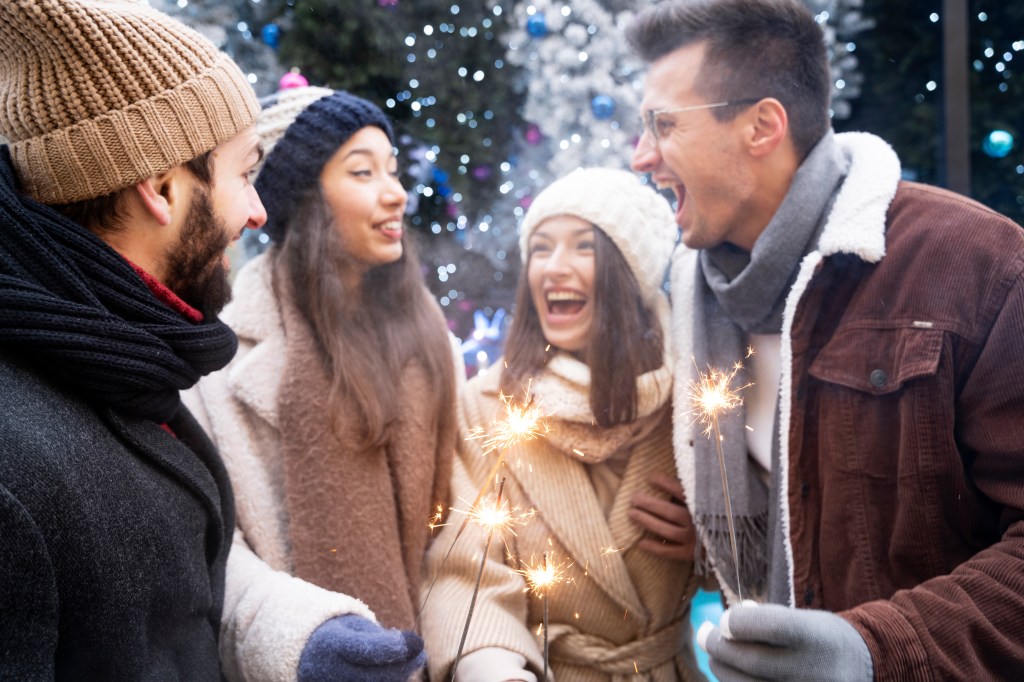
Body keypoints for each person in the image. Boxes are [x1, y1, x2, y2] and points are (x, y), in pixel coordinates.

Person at [627, 0, 1024, 680]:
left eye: (664, 125)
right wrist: (717, 539)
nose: (642, 157)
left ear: (762, 126)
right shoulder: (695, 294)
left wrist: (873, 651)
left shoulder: (979, 263)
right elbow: (818, 495)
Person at [0, 0, 266, 678]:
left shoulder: (123, 363)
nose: (256, 212)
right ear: (162, 189)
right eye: (245, 173)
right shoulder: (15, 466)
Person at [181, 86, 458, 682]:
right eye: (363, 172)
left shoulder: (428, 339)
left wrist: (483, 658)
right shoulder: (220, 353)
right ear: (304, 198)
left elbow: (463, 529)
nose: (396, 193)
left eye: (393, 169)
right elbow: (215, 555)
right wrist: (306, 640)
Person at [420, 167, 709, 682]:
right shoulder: (489, 405)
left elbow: (769, 544)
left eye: (583, 247)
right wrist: (495, 671)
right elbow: (467, 571)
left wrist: (710, 549)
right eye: (541, 248)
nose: (554, 268)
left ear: (630, 273)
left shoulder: (693, 393)